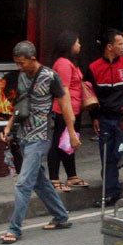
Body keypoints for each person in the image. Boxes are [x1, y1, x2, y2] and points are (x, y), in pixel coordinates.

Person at [0, 41, 81, 244]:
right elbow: (19, 105)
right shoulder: (21, 76)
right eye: (17, 63)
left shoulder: (50, 77)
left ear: (33, 59)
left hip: (40, 136)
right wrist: (8, 127)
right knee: (39, 181)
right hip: (23, 135)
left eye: (22, 63)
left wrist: (72, 133)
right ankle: (61, 217)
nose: (19, 67)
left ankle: (14, 229)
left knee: (23, 183)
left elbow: (65, 106)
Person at [84, 28, 123, 207]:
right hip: (104, 119)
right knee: (107, 156)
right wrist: (94, 117)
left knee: (121, 152)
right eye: (120, 44)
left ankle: (117, 183)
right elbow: (89, 95)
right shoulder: (93, 68)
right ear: (109, 47)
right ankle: (111, 193)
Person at [46, 31, 88, 191]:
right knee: (59, 144)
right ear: (69, 44)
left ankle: (72, 176)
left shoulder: (70, 63)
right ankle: (54, 179)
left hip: (74, 110)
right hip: (65, 110)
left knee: (69, 143)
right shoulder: (63, 64)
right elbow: (64, 92)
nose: (80, 45)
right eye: (77, 42)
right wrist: (68, 114)